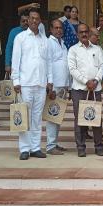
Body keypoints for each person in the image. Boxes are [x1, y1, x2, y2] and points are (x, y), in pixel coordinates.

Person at [12, 8, 53, 160]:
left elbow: (48, 62)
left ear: (40, 21)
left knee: (36, 118)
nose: (34, 21)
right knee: (25, 116)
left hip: (41, 84)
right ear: (28, 20)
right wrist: (16, 81)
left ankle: (35, 148)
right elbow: (16, 61)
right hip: (25, 84)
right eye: (32, 18)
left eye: (37, 18)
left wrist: (50, 81)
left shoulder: (45, 40)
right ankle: (24, 149)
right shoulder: (20, 38)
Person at [68, 23, 103, 157]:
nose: (84, 34)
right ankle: (81, 147)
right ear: (77, 34)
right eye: (81, 32)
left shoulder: (97, 49)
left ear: (89, 33)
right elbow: (72, 69)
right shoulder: (73, 50)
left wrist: (95, 80)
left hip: (95, 89)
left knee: (97, 119)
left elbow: (102, 66)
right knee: (80, 120)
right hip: (79, 89)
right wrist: (86, 81)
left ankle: (99, 146)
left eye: (86, 32)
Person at [46, 19, 69, 155]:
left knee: (57, 116)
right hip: (54, 85)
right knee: (52, 115)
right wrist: (50, 86)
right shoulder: (49, 43)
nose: (59, 30)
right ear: (51, 29)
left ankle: (54, 143)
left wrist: (68, 85)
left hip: (63, 85)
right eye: (56, 28)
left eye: (60, 28)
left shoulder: (63, 44)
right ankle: (50, 146)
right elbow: (48, 64)